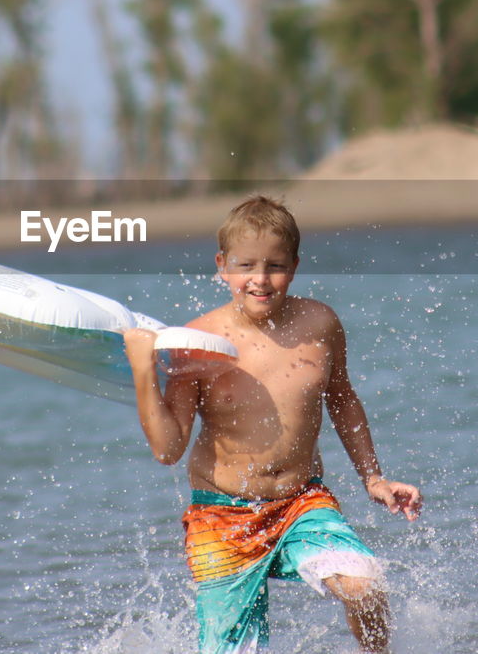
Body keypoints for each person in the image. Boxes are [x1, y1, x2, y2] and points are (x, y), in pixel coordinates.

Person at [124, 195, 422, 654]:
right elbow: (168, 449)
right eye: (245, 266)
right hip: (222, 517)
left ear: (295, 266)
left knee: (366, 587)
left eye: (275, 266)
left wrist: (373, 477)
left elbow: (342, 398)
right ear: (222, 266)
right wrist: (144, 371)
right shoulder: (196, 344)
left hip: (302, 502)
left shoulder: (320, 323)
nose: (260, 279)